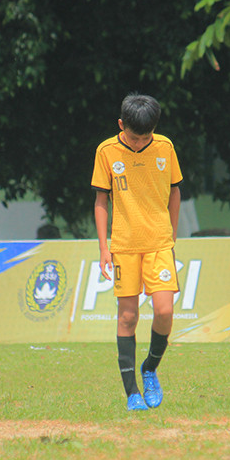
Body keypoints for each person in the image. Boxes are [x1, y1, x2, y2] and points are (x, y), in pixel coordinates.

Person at [92, 93, 182, 411]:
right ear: (121, 125)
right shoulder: (106, 151)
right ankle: (132, 393)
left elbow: (175, 192)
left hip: (159, 244)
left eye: (146, 136)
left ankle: (150, 368)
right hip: (124, 246)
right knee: (128, 317)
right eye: (134, 136)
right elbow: (101, 202)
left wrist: (169, 234)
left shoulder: (165, 147)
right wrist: (104, 248)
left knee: (165, 311)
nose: (141, 141)